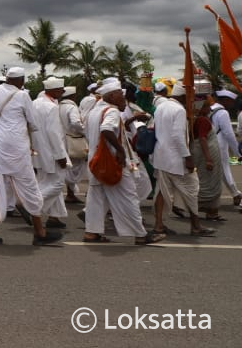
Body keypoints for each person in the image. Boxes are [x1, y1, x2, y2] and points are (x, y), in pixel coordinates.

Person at [0, 68, 60, 245]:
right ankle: (39, 233)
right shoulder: (22, 95)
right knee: (30, 187)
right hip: (17, 146)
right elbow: (33, 122)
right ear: (21, 80)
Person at [81, 79, 159, 244]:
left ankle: (92, 233)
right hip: (112, 162)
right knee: (128, 195)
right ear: (111, 96)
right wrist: (121, 151)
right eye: (120, 96)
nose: (123, 99)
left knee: (96, 198)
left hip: (96, 163)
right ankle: (140, 234)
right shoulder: (111, 111)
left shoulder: (94, 111)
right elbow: (107, 129)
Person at [151, 85, 214, 238]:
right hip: (175, 159)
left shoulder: (161, 106)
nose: (191, 101)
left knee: (161, 191)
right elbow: (178, 137)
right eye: (190, 98)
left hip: (161, 157)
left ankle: (159, 225)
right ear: (183, 97)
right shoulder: (179, 110)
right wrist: (188, 158)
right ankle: (196, 226)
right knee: (192, 188)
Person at [32, 77, 71, 227]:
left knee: (45, 182)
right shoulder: (51, 107)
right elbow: (54, 133)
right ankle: (30, 205)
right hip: (51, 152)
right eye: (61, 90)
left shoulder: (34, 103)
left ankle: (54, 217)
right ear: (54, 90)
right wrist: (61, 156)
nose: (62, 93)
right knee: (56, 184)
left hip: (38, 151)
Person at [208, 91, 241, 206]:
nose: (232, 103)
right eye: (231, 101)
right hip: (219, 144)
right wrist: (238, 153)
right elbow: (229, 134)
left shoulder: (210, 108)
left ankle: (235, 193)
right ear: (225, 100)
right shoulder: (223, 113)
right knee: (224, 168)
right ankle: (235, 194)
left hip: (209, 143)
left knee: (217, 171)